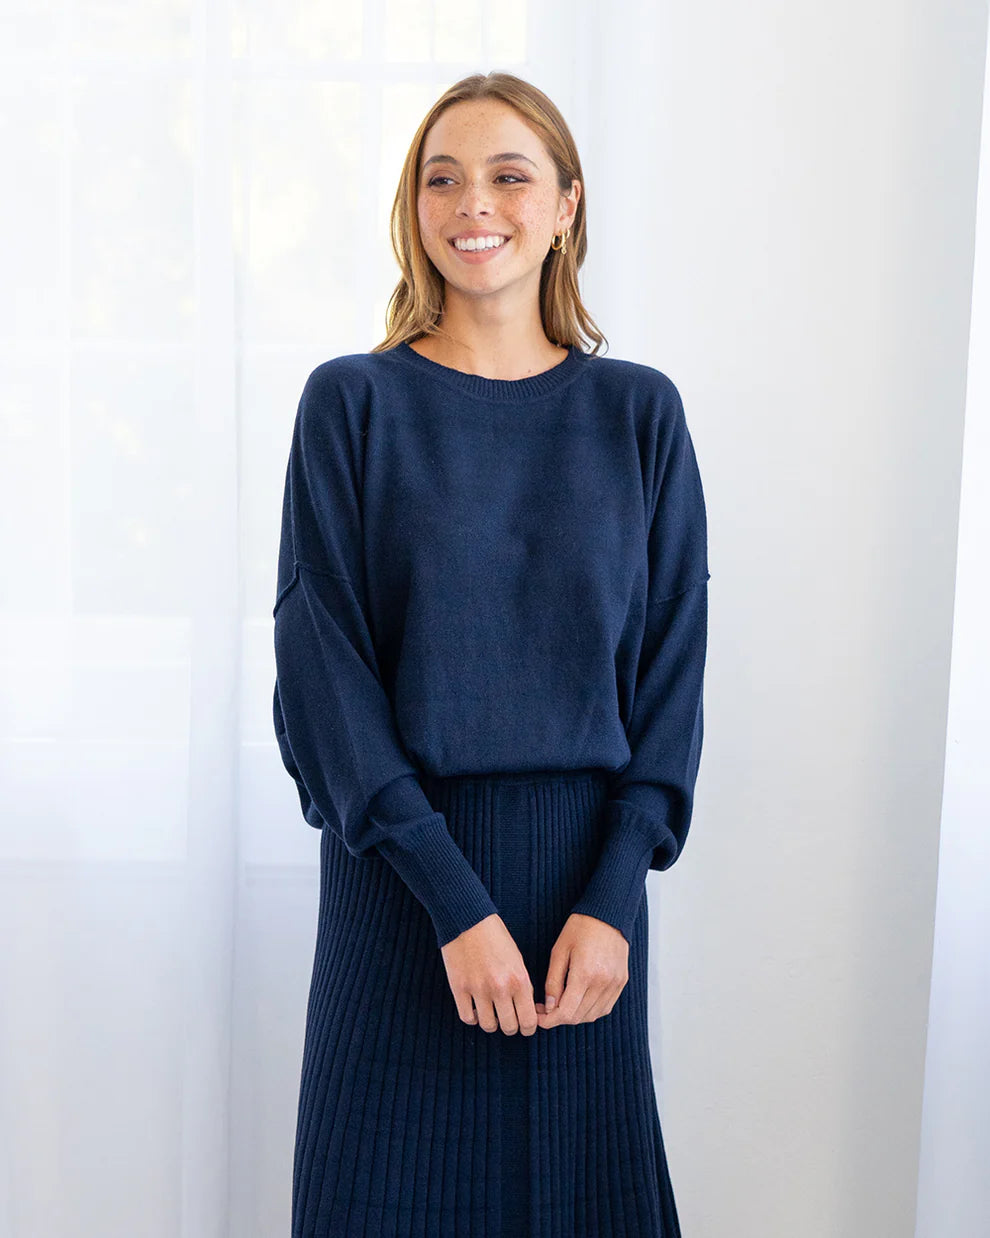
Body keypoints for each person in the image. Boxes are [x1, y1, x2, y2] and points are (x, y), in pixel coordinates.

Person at [272, 69, 710, 1238]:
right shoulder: (351, 404)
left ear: (567, 203)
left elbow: (671, 673)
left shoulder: (640, 415)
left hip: (585, 906)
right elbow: (324, 672)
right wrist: (454, 904)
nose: (477, 203)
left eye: (511, 175)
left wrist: (616, 895)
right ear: (415, 211)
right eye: (443, 177)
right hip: (403, 889)